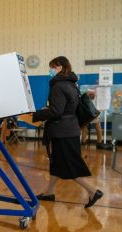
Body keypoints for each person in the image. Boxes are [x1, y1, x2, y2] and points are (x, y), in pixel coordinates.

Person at [32, 56, 103, 208]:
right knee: (57, 163)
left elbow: (56, 111)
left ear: (59, 67)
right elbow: (66, 108)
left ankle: (93, 191)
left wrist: (36, 115)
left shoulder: (58, 86)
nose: (50, 70)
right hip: (70, 128)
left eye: (52, 67)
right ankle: (48, 193)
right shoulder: (72, 84)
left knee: (70, 166)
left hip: (62, 131)